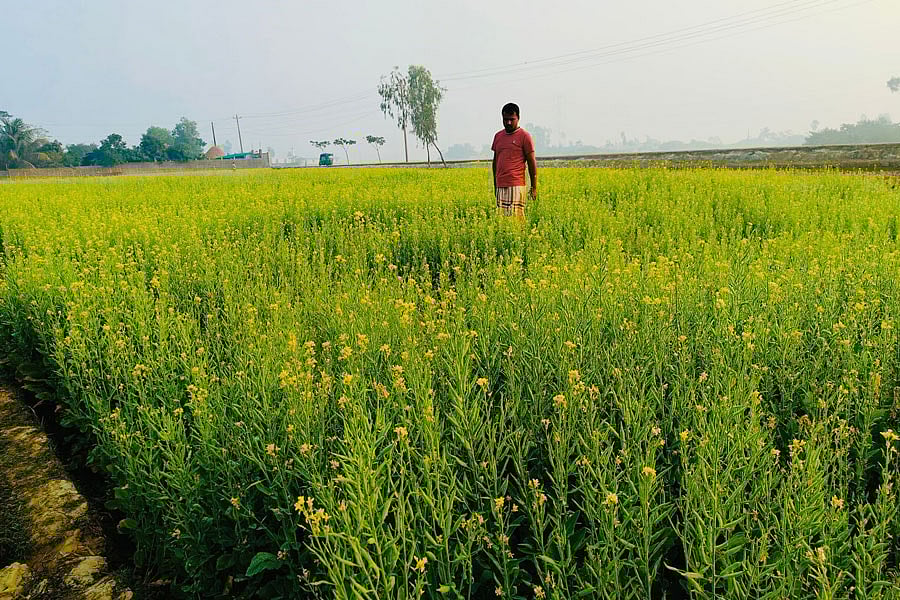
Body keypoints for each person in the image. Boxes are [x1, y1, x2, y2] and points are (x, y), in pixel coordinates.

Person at [491, 103, 537, 218]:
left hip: (516, 185)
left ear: (518, 118)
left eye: (512, 119)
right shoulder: (498, 136)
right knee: (502, 221)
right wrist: (495, 184)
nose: (508, 123)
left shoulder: (525, 136)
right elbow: (496, 161)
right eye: (505, 119)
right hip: (501, 185)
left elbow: (532, 163)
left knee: (516, 221)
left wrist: (534, 187)